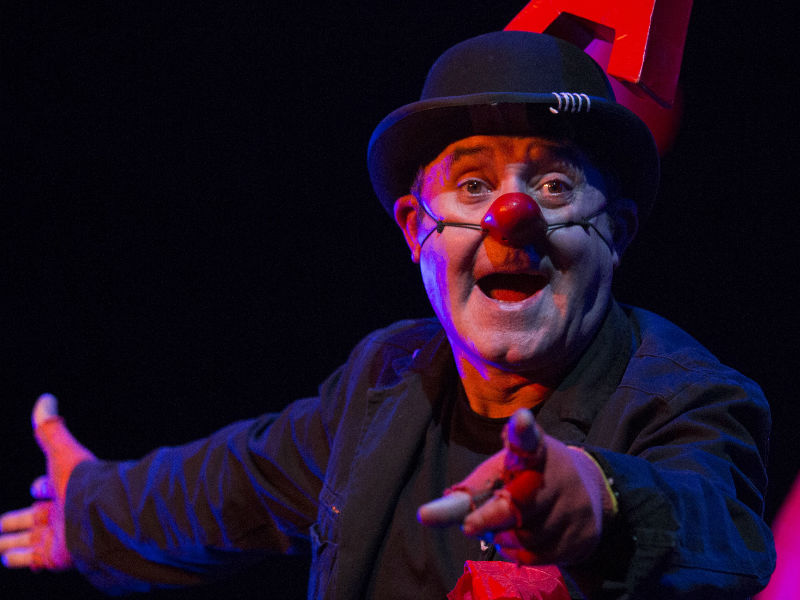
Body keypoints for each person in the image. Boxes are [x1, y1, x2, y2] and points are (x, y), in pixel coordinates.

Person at [0, 31, 775, 599]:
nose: (512, 217)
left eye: (554, 187)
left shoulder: (688, 397)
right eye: (473, 186)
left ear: (618, 231)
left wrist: (601, 502)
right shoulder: (385, 378)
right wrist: (88, 512)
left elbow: (723, 527)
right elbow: (236, 484)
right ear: (414, 230)